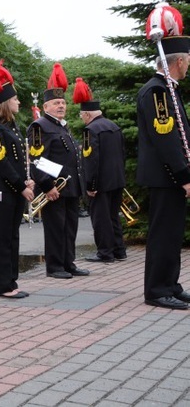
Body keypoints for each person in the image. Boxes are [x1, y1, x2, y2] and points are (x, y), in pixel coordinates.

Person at [137, 21, 190, 310]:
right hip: (165, 176)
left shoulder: (168, 89)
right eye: (188, 60)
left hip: (169, 176)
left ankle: (170, 284)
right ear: (178, 61)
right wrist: (183, 175)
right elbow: (166, 137)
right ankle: (156, 290)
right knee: (163, 235)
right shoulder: (157, 92)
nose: (189, 65)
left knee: (172, 234)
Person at [0, 61, 35, 298]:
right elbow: (1, 162)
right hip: (4, 187)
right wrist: (21, 185)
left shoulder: (10, 126)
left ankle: (11, 280)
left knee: (13, 234)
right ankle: (2, 284)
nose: (18, 102)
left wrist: (27, 180)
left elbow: (18, 159)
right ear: (5, 102)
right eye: (15, 99)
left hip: (15, 187)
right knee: (2, 236)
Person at [27, 63, 89, 280]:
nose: (61, 105)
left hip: (70, 186)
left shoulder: (63, 126)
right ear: (45, 107)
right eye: (56, 103)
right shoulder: (39, 126)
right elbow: (37, 159)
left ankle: (68, 263)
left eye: (63, 102)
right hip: (54, 187)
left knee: (70, 228)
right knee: (55, 228)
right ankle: (54, 267)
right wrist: (47, 186)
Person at [73, 77, 127, 264]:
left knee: (100, 219)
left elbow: (91, 160)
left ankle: (105, 253)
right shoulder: (114, 126)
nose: (82, 119)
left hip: (101, 183)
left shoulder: (90, 131)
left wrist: (91, 185)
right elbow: (122, 154)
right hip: (117, 180)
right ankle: (119, 251)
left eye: (82, 116)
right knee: (113, 216)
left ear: (87, 114)